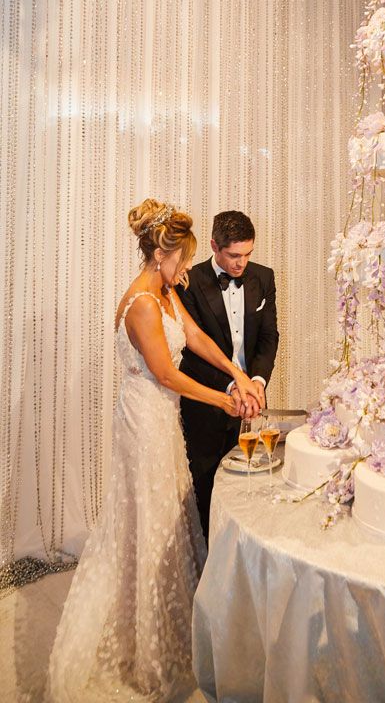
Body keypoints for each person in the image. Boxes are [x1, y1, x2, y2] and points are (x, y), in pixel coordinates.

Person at [47, 200, 263, 703]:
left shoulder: (164, 291)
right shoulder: (142, 303)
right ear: (161, 255)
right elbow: (166, 374)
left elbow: (192, 335)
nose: (187, 269)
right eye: (183, 260)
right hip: (144, 416)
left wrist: (235, 373)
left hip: (162, 416)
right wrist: (223, 400)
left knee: (170, 516)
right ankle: (144, 644)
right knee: (147, 521)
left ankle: (171, 620)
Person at [178, 210, 279, 541]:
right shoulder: (189, 281)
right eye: (234, 255)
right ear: (214, 246)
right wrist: (232, 384)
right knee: (206, 482)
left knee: (244, 479)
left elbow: (268, 338)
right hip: (206, 399)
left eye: (248, 254)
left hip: (250, 399)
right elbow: (192, 350)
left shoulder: (263, 277)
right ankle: (212, 559)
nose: (241, 264)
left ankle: (240, 554)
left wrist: (259, 382)